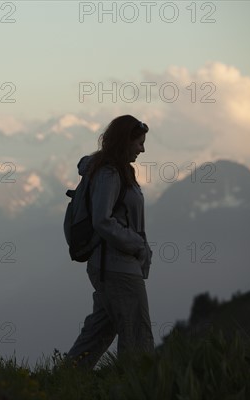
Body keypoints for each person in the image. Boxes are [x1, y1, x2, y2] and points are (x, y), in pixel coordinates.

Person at [66, 114, 154, 368]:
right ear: (125, 141)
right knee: (137, 333)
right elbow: (102, 220)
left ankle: (69, 374)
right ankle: (138, 383)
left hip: (111, 265)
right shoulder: (109, 173)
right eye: (139, 143)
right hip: (117, 266)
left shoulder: (119, 170)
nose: (143, 149)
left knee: (99, 330)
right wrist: (137, 245)